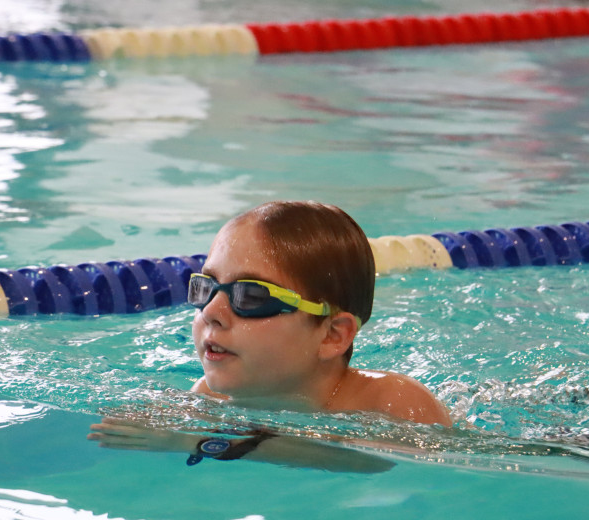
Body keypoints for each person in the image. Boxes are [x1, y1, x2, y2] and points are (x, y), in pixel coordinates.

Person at [89, 201, 452, 469]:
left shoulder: (394, 402)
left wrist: (204, 442)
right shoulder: (211, 395)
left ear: (332, 335)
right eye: (206, 288)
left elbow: (372, 462)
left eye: (251, 296)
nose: (211, 312)